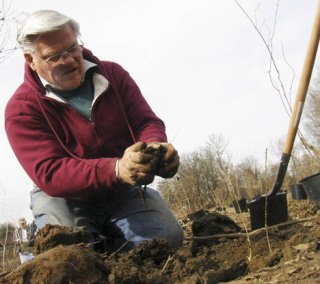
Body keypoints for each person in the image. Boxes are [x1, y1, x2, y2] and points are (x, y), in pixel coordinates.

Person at [5, 10, 183, 253]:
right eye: (54, 56)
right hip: (64, 198)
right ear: (30, 60)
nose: (67, 60)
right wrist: (116, 168)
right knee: (69, 257)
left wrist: (155, 146)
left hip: (121, 191)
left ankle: (107, 239)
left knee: (164, 241)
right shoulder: (21, 110)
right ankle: (40, 241)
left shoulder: (113, 75)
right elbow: (50, 172)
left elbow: (146, 122)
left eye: (71, 48)